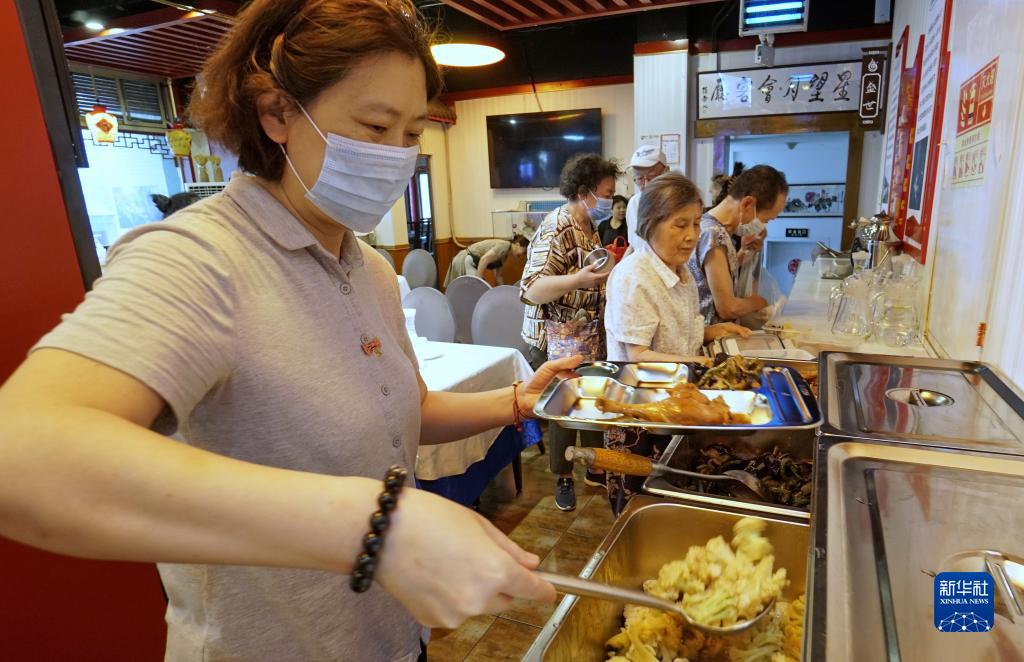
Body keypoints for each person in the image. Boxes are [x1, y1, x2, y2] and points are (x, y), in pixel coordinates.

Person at [0, 2, 567, 660]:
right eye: (374, 126)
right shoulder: (199, 258)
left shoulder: (369, 269)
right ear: (276, 115)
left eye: (412, 133)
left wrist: (518, 400)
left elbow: (406, 410)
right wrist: (371, 525)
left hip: (388, 635)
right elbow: (24, 455)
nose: (396, 156)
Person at [603, 173, 749, 513]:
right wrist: (702, 364)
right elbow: (637, 356)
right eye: (680, 225)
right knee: (640, 506)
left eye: (696, 223)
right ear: (650, 225)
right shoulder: (634, 277)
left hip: (675, 403)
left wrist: (715, 330)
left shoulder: (680, 272)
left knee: (672, 502)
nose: (691, 235)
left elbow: (681, 334)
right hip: (641, 415)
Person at [520, 152, 621, 512]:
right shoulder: (557, 227)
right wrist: (578, 279)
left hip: (585, 336)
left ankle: (594, 467)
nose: (610, 201)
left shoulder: (588, 226)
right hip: (555, 339)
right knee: (564, 409)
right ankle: (563, 477)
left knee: (589, 400)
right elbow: (531, 288)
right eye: (606, 194)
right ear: (584, 192)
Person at [689, 164, 788, 325]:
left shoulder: (713, 227)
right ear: (747, 204)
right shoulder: (714, 234)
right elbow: (727, 308)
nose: (762, 226)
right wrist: (760, 302)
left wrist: (743, 252)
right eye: (765, 220)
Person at [624, 144, 669, 252]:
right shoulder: (634, 203)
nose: (647, 185)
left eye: (652, 177)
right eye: (640, 179)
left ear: (666, 172)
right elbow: (634, 245)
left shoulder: (679, 202)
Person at [443, 234, 529, 288]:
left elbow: (498, 277)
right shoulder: (504, 245)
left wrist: (504, 292)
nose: (523, 255)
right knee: (476, 291)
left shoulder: (505, 254)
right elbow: (483, 260)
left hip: (471, 262)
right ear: (517, 244)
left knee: (478, 290)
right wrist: (478, 282)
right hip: (465, 259)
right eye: (524, 251)